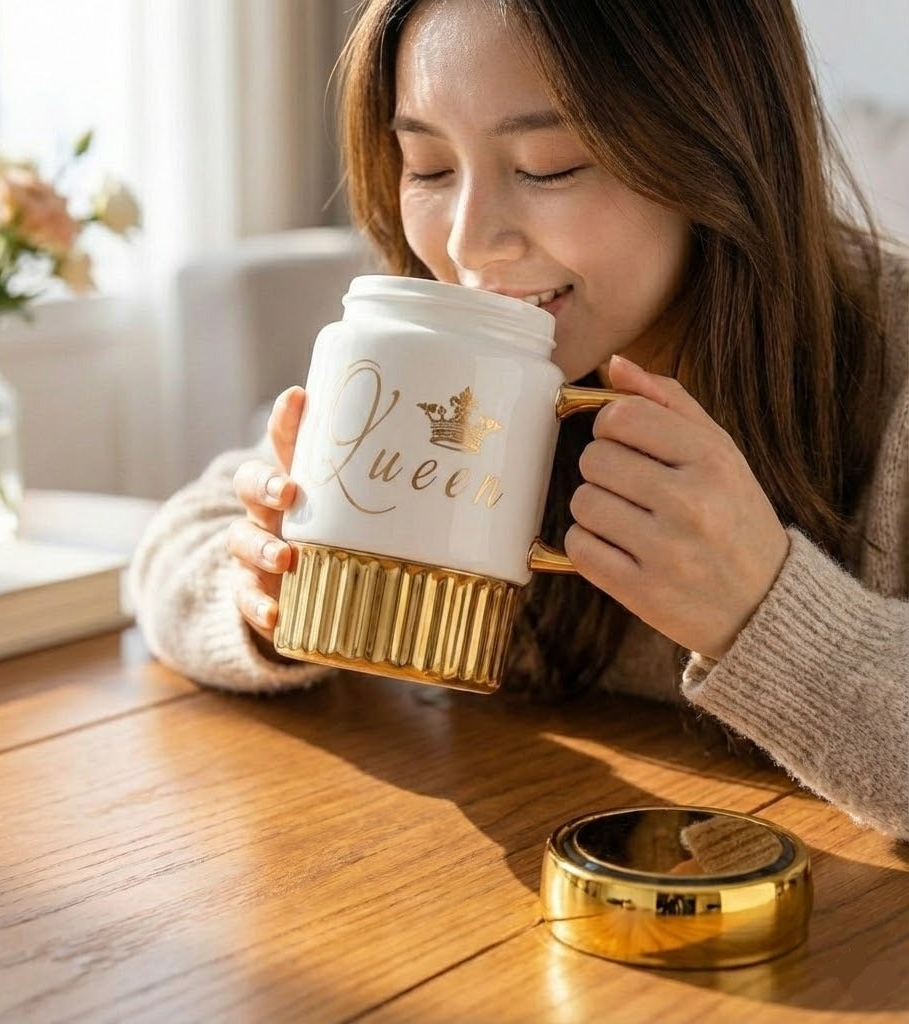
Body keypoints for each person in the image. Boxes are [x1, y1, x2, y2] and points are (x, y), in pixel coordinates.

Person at [130, 0, 908, 839]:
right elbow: (176, 546)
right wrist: (261, 596)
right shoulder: (453, 351)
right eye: (427, 167)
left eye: (547, 166)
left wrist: (768, 612)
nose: (469, 244)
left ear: (720, 146)